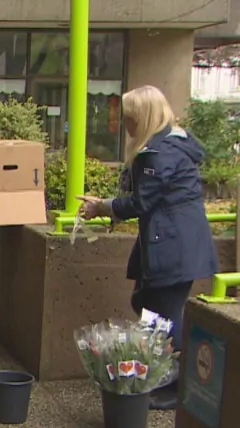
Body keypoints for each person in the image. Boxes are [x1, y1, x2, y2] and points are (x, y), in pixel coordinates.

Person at [77, 85, 219, 410]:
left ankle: (173, 384)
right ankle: (162, 379)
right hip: (178, 243)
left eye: (128, 117)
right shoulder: (172, 144)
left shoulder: (158, 153)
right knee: (157, 312)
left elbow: (142, 201)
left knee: (163, 315)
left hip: (172, 246)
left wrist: (102, 207)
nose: (124, 124)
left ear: (141, 118)